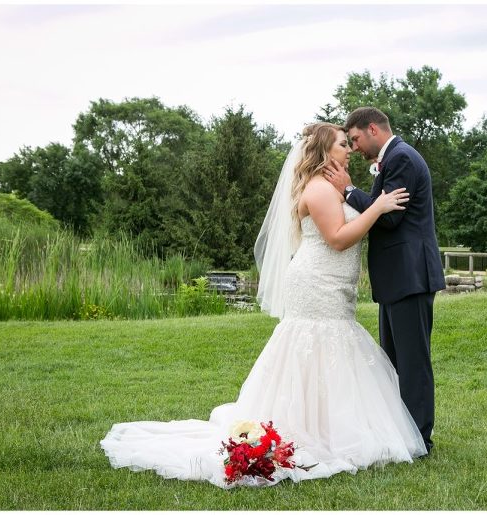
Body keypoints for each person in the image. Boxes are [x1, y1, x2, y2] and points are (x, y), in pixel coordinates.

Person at [99, 122, 427, 489]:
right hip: (317, 282)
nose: (348, 148)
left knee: (332, 350)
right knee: (316, 344)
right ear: (323, 151)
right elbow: (337, 238)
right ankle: (310, 429)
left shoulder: (331, 185)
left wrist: (354, 192)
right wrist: (378, 206)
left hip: (335, 285)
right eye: (341, 143)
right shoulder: (318, 189)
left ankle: (328, 425)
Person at [322, 107, 445, 454]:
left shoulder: (402, 158)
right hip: (397, 277)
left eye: (357, 139)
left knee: (412, 362)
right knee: (394, 360)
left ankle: (420, 439)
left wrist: (349, 192)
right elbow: (382, 207)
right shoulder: (392, 160)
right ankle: (401, 434)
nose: (355, 147)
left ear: (373, 129)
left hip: (411, 274)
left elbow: (388, 217)